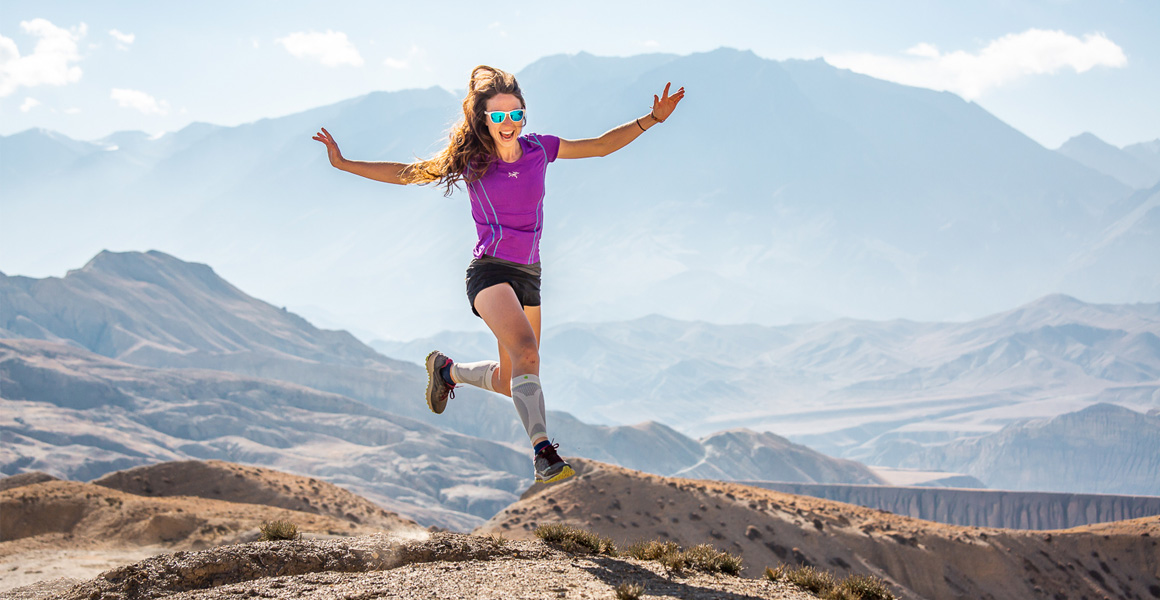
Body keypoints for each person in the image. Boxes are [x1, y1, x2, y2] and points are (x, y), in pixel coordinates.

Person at [313, 65, 684, 484]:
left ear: (523, 115)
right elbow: (407, 174)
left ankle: (446, 371)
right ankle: (544, 453)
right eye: (498, 115)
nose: (508, 123)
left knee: (515, 380)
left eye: (515, 114)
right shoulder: (471, 161)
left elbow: (598, 146)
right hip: (489, 271)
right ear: (484, 119)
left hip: (530, 273)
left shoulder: (540, 150)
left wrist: (652, 119)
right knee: (527, 349)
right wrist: (343, 164)